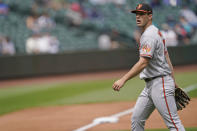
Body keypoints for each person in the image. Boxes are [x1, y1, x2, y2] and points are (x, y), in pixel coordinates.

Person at [112, 3, 185, 131]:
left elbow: (143, 62)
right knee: (137, 119)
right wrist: (173, 81)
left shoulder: (149, 35)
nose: (138, 17)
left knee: (173, 123)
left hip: (160, 84)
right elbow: (167, 58)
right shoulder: (155, 32)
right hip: (151, 85)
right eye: (136, 14)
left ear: (150, 16)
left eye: (141, 14)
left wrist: (123, 79)